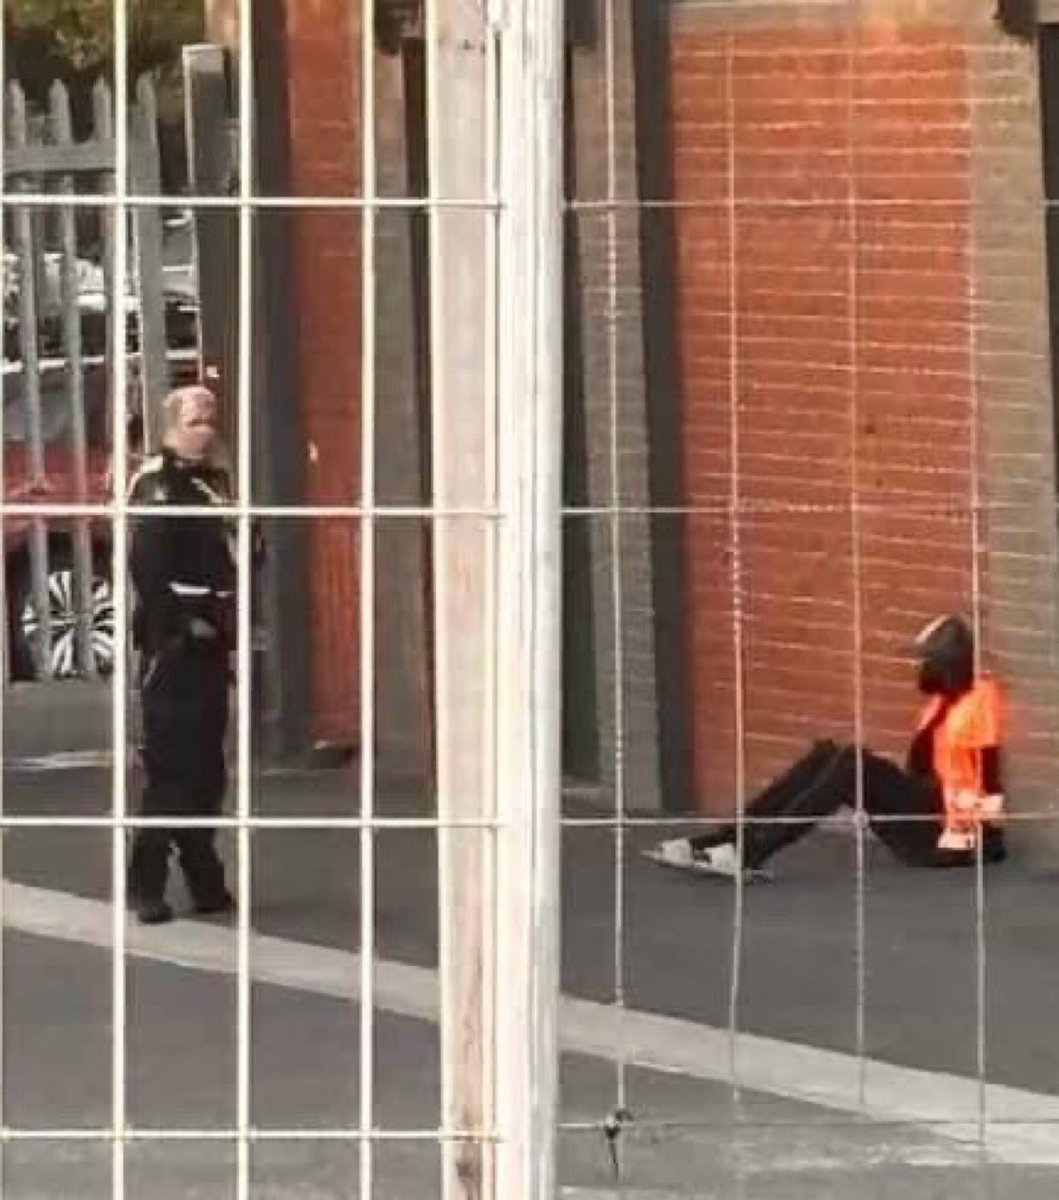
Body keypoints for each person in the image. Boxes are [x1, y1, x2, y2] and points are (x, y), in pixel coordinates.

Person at [650, 615, 1007, 878]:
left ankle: (751, 854)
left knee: (853, 764)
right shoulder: (942, 703)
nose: (920, 669)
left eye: (926, 660)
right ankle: (722, 841)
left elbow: (988, 779)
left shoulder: (978, 704)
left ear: (947, 664)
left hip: (947, 838)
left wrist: (983, 841)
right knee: (829, 754)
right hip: (924, 815)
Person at [126, 385, 236, 925]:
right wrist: (180, 621)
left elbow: (237, 547)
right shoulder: (155, 483)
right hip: (173, 643)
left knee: (208, 772)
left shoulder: (218, 481)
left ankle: (203, 874)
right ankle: (145, 883)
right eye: (196, 421)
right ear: (171, 426)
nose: (207, 429)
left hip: (216, 636)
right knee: (170, 769)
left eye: (212, 419)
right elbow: (147, 565)